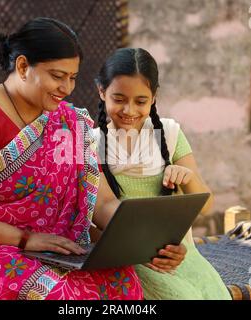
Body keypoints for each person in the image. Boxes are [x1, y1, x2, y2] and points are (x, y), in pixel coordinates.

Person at [0, 18, 184, 300]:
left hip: (51, 249)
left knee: (121, 282)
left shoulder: (67, 121)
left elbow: (103, 202)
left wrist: (148, 243)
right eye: (57, 76)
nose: (67, 88)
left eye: (72, 77)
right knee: (56, 293)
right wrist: (24, 239)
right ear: (22, 66)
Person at [92, 48, 232, 300]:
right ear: (102, 92)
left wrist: (186, 177)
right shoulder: (90, 143)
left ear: (154, 97)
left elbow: (207, 206)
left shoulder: (170, 134)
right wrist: (138, 249)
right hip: (128, 259)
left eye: (141, 101)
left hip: (179, 254)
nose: (129, 110)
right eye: (119, 99)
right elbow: (91, 219)